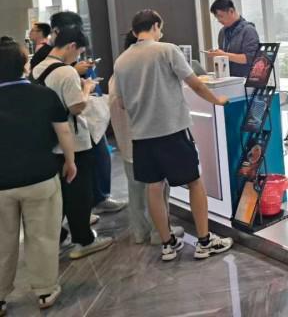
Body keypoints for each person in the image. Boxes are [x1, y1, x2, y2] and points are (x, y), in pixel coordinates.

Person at [114, 9, 234, 261]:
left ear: (134, 31)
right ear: (155, 26)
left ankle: (167, 244)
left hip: (141, 136)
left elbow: (122, 103)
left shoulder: (121, 61)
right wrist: (217, 100)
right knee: (194, 182)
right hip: (172, 131)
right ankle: (204, 241)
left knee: (154, 187)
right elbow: (195, 83)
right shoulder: (166, 50)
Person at [0, 39, 75, 312]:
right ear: (24, 64)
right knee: (43, 236)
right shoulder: (43, 95)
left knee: (2, 241)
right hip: (40, 175)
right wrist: (70, 161)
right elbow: (63, 130)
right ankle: (45, 290)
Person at [31, 27, 114, 260]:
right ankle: (84, 240)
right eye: (79, 52)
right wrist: (86, 89)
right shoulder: (66, 72)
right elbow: (76, 107)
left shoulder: (38, 68)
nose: (78, 57)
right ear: (71, 46)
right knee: (79, 192)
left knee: (58, 194)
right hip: (73, 140)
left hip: (49, 140)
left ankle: (57, 238)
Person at [109, 31, 183, 245]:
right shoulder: (142, 74)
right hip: (146, 140)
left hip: (126, 143)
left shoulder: (118, 73)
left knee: (135, 190)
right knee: (157, 188)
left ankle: (139, 232)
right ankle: (160, 232)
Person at [207, 0, 261, 78]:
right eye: (217, 17)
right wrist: (217, 54)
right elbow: (223, 54)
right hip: (227, 78)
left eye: (221, 16)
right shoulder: (222, 32)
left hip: (244, 80)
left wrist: (223, 54)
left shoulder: (248, 30)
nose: (219, 20)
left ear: (231, 11)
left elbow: (249, 58)